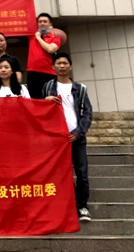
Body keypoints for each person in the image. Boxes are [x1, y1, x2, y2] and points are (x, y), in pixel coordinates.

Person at [42, 53, 93, 223]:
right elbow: (40, 110)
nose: (62, 66)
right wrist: (45, 101)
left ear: (70, 66)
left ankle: (82, 206)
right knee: (62, 174)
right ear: (53, 67)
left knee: (82, 173)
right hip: (57, 139)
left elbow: (88, 113)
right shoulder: (48, 87)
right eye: (59, 63)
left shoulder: (80, 88)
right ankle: (67, 205)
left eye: (65, 63)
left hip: (76, 138)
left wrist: (78, 133)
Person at [26, 13, 61, 99]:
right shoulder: (31, 36)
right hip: (33, 72)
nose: (42, 23)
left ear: (50, 24)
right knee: (36, 100)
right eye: (40, 21)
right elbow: (25, 21)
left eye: (45, 21)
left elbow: (50, 49)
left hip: (49, 73)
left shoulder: (55, 38)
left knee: (51, 99)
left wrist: (38, 38)